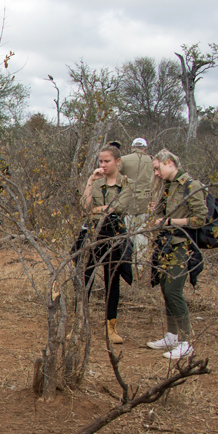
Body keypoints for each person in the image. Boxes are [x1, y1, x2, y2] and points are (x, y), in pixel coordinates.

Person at [146, 149, 209, 360]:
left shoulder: (191, 185)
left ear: (170, 163)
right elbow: (161, 216)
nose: (156, 173)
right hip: (167, 244)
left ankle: (185, 342)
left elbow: (200, 219)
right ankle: (172, 335)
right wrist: (156, 210)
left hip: (184, 244)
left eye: (157, 168)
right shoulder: (168, 187)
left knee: (174, 289)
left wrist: (170, 222)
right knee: (165, 286)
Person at [80, 144, 135, 344]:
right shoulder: (96, 183)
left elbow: (118, 207)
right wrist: (90, 181)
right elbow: (86, 208)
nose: (103, 165)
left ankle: (111, 326)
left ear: (117, 162)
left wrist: (99, 209)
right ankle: (79, 322)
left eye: (107, 161)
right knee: (86, 277)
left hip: (115, 235)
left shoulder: (126, 183)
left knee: (112, 281)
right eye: (101, 161)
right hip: (96, 234)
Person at [120, 138, 154, 264]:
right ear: (145, 147)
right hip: (146, 201)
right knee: (142, 233)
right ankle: (139, 264)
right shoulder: (152, 161)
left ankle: (126, 261)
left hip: (128, 200)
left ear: (133, 146)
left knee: (127, 231)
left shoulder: (123, 159)